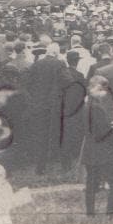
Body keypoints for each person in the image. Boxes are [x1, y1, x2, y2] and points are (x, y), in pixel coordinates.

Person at [26, 42, 75, 174]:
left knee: (41, 135)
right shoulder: (59, 64)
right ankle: (65, 165)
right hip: (55, 105)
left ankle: (40, 167)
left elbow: (28, 83)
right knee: (60, 135)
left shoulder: (36, 64)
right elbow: (69, 81)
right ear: (57, 53)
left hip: (39, 104)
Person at [81, 75, 113, 216]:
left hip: (89, 150)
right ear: (94, 89)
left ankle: (90, 214)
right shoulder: (97, 108)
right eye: (101, 89)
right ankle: (110, 213)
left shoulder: (86, 106)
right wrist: (111, 131)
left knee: (91, 184)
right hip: (103, 152)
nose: (104, 93)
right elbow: (104, 132)